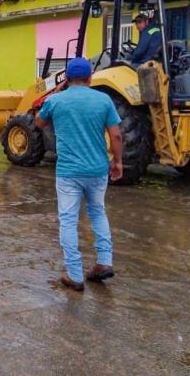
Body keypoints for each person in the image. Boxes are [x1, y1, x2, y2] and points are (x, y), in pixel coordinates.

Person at [35, 58, 123, 292]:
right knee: (97, 212)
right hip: (97, 170)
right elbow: (116, 136)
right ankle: (104, 261)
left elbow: (39, 122)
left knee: (68, 220)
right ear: (90, 77)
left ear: (66, 79)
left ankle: (75, 274)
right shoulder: (104, 100)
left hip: (69, 172)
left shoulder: (56, 100)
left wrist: (52, 99)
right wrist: (118, 162)